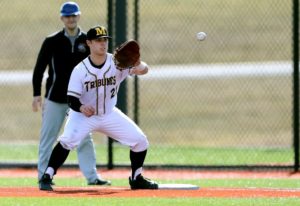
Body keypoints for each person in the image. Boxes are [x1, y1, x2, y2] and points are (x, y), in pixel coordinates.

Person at [38, 25, 159, 191]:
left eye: (105, 40)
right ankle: (47, 176)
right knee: (67, 141)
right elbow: (71, 99)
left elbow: (144, 70)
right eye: (98, 40)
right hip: (83, 116)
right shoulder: (80, 70)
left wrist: (140, 65)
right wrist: (81, 107)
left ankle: (137, 178)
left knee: (140, 141)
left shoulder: (117, 63)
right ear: (88, 43)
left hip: (109, 114)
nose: (103, 44)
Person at [32, 2, 111, 189]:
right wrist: (36, 94)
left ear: (79, 16)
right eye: (67, 16)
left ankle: (92, 177)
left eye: (74, 15)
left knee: (84, 138)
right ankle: (44, 176)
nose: (71, 19)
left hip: (79, 99)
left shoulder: (87, 40)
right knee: (48, 138)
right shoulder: (52, 41)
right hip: (56, 97)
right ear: (62, 18)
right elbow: (39, 68)